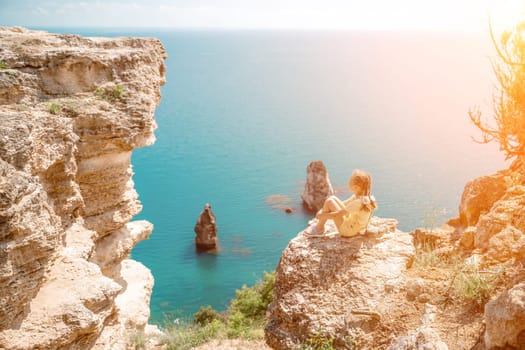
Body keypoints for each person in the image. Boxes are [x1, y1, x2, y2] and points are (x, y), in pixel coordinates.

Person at [309, 169, 377, 237]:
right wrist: (322, 210)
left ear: (356, 187)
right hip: (352, 225)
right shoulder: (361, 197)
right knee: (331, 198)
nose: (348, 183)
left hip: (348, 231)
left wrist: (321, 215)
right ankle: (319, 227)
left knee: (330, 201)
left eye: (350, 181)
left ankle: (319, 228)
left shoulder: (358, 203)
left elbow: (337, 215)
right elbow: (343, 204)